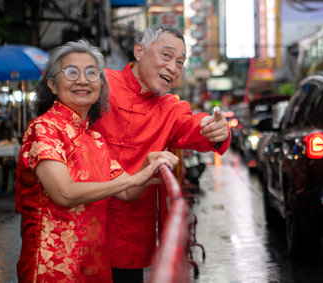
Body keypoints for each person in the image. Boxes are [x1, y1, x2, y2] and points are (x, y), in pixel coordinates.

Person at [15, 39, 178, 282]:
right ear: (52, 84)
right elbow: (64, 193)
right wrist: (135, 178)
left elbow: (128, 192)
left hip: (94, 267)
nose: (82, 80)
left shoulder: (95, 139)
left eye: (92, 73)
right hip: (52, 268)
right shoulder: (44, 128)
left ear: (101, 85)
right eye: (71, 72)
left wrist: (147, 166)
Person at [91, 24, 231, 281]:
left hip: (128, 235)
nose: (173, 67)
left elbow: (195, 126)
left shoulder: (170, 108)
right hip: (82, 224)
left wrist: (217, 130)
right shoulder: (102, 82)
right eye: (166, 56)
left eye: (180, 62)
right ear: (139, 51)